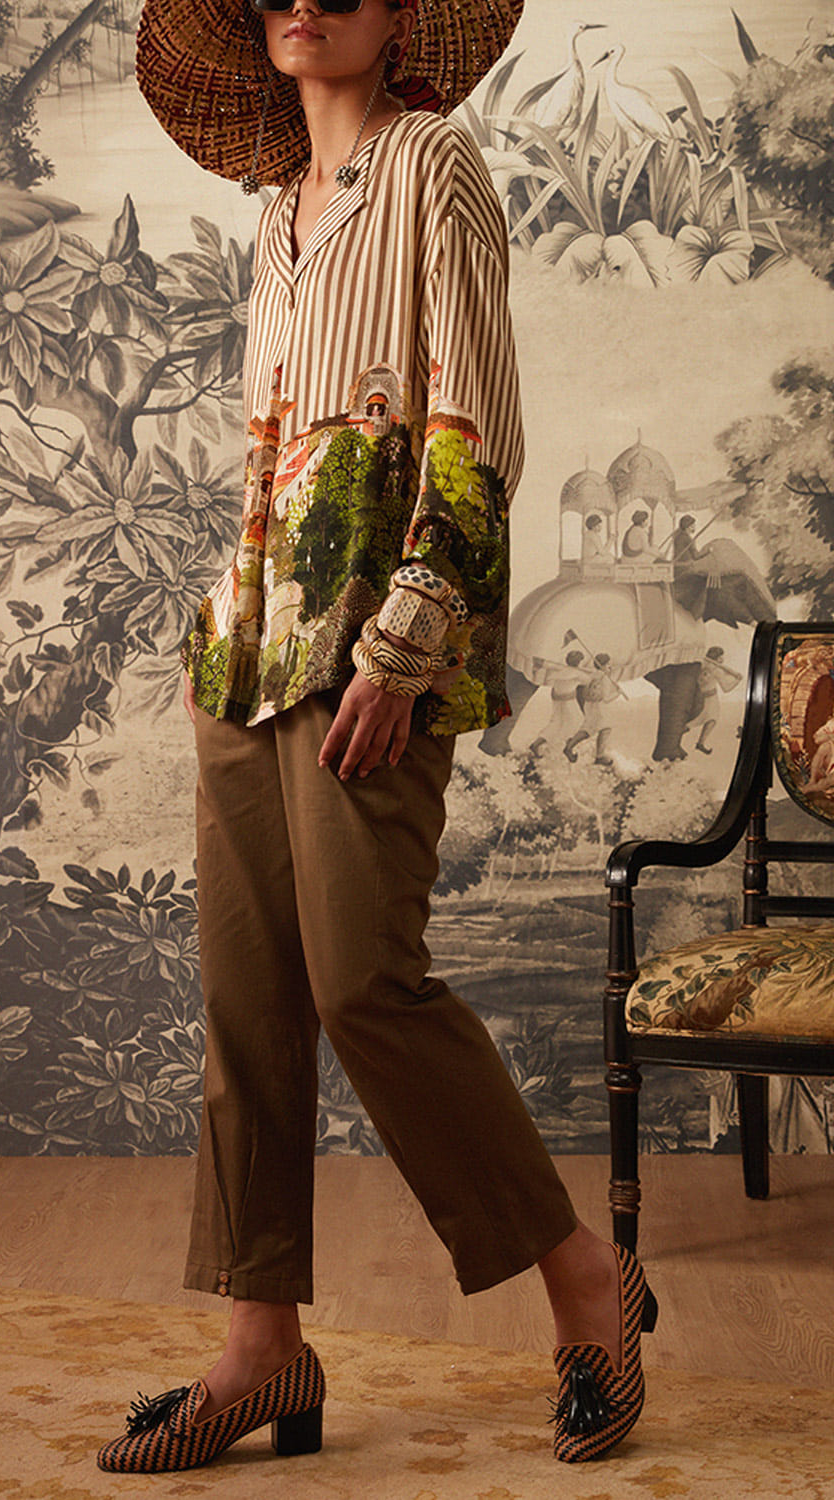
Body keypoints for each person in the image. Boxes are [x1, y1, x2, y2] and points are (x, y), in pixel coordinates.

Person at [100, 0, 657, 1475]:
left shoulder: (433, 164)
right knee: (248, 1004)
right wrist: (220, 634)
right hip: (246, 655)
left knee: (364, 983)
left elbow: (475, 429)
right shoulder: (274, 210)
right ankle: (260, 1347)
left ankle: (585, 1277)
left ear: (402, 7)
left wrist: (408, 643)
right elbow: (269, 456)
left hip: (371, 652)